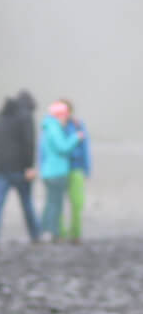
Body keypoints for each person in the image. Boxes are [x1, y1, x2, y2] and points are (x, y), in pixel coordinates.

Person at [0, 89, 40, 249]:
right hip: (20, 169)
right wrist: (30, 167)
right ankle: (35, 235)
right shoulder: (26, 117)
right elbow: (29, 143)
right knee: (27, 202)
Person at [38, 99, 82, 241]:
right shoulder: (54, 128)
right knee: (55, 204)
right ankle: (51, 232)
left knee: (51, 202)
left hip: (48, 171)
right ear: (60, 115)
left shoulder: (47, 127)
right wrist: (76, 137)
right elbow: (63, 148)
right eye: (64, 115)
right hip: (56, 172)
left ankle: (46, 231)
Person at [63, 101, 91, 242]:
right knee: (59, 203)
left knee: (77, 203)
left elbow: (85, 147)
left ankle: (75, 234)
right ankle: (60, 234)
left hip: (76, 168)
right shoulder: (55, 125)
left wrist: (86, 169)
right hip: (60, 169)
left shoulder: (78, 125)